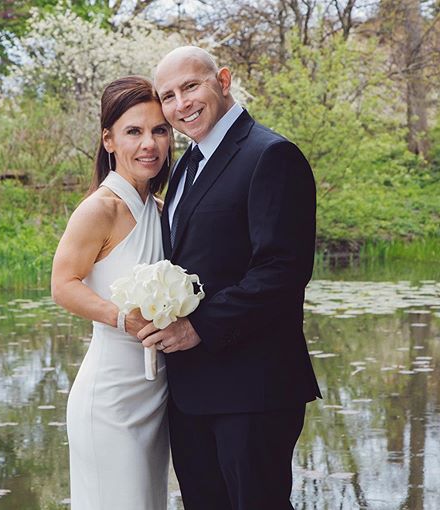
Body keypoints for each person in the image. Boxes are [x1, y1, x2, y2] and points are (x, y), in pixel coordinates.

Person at [138, 46, 322, 510]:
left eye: (191, 86)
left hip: (253, 389)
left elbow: (283, 270)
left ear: (223, 80)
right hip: (192, 393)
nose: (182, 103)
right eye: (169, 95)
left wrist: (199, 325)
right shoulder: (184, 167)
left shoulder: (271, 155)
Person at [51, 76, 173, 510]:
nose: (150, 144)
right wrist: (124, 318)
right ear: (109, 139)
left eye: (159, 130)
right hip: (110, 401)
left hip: (155, 394)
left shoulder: (160, 210)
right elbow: (63, 285)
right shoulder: (100, 209)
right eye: (134, 132)